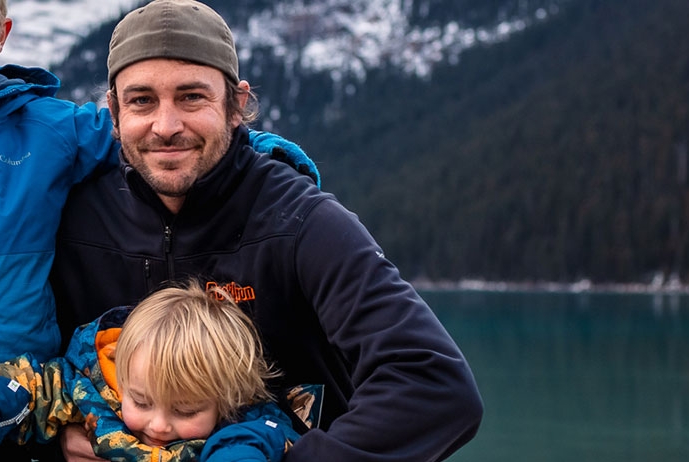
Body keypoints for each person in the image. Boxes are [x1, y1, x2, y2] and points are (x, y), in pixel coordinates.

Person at [0, 0, 314, 452]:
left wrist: (269, 157)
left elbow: (153, 141)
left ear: (2, 32)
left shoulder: (52, 129)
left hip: (28, 406)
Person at [48, 1, 484, 461]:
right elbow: (24, 376)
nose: (166, 125)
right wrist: (58, 438)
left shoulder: (300, 221)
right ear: (114, 111)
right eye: (142, 101)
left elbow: (434, 384)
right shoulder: (74, 221)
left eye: (192, 97)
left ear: (237, 105)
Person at [0, 281, 303, 462]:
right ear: (121, 372)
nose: (160, 425)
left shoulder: (244, 427)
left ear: (225, 399)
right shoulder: (87, 388)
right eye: (142, 401)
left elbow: (260, 440)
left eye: (185, 411)